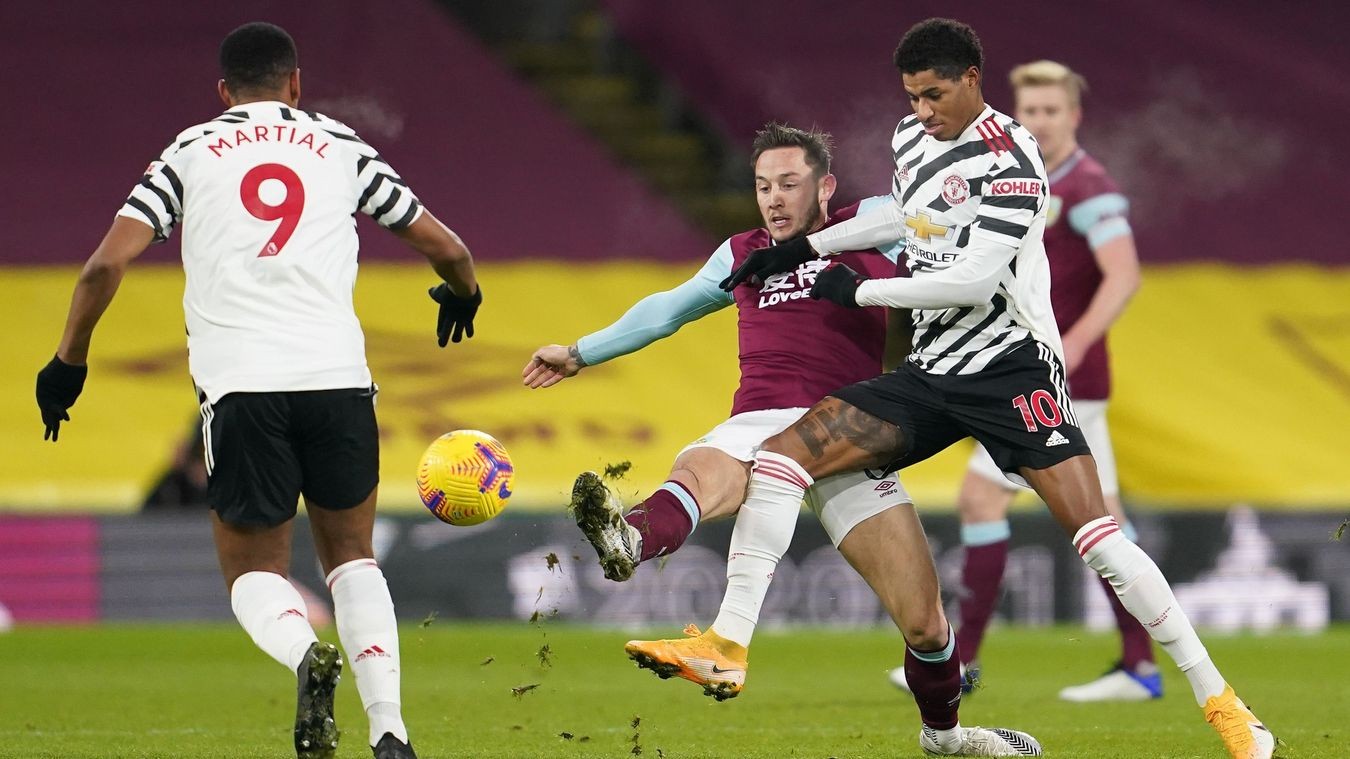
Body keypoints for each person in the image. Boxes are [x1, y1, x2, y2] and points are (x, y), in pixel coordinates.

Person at [717, 19, 1274, 759]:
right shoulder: (908, 140)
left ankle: (1226, 704)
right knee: (784, 454)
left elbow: (974, 278)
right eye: (912, 96)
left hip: (1011, 369)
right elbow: (904, 218)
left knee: (1098, 535)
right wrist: (802, 247)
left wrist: (860, 297)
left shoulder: (1014, 158)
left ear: (973, 78)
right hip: (931, 370)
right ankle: (726, 644)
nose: (922, 111)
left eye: (935, 94)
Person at [34, 22, 482, 759]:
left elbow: (102, 269)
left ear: (223, 93)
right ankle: (391, 732)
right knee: (352, 559)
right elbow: (448, 247)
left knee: (252, 570)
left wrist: (68, 362)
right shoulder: (340, 144)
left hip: (242, 387)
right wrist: (462, 291)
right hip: (338, 380)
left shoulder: (190, 151)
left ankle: (308, 655)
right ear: (295, 84)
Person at [524, 123, 1041, 756]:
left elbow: (935, 213)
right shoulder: (744, 251)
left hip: (851, 430)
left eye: (790, 184)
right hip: (761, 421)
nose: (774, 199)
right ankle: (630, 539)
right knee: (699, 467)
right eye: (764, 186)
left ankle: (947, 738)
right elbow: (669, 309)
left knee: (927, 625)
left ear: (825, 187)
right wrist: (580, 353)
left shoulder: (873, 227)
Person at [889, 59, 1157, 703]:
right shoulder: (1012, 167)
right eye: (1029, 110)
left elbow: (1124, 274)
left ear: (1074, 116)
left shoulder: (1088, 187)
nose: (1036, 120)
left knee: (1013, 508)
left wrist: (1074, 345)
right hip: (1030, 367)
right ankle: (1139, 665)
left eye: (1049, 111)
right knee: (1101, 520)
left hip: (1055, 375)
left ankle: (966, 660)